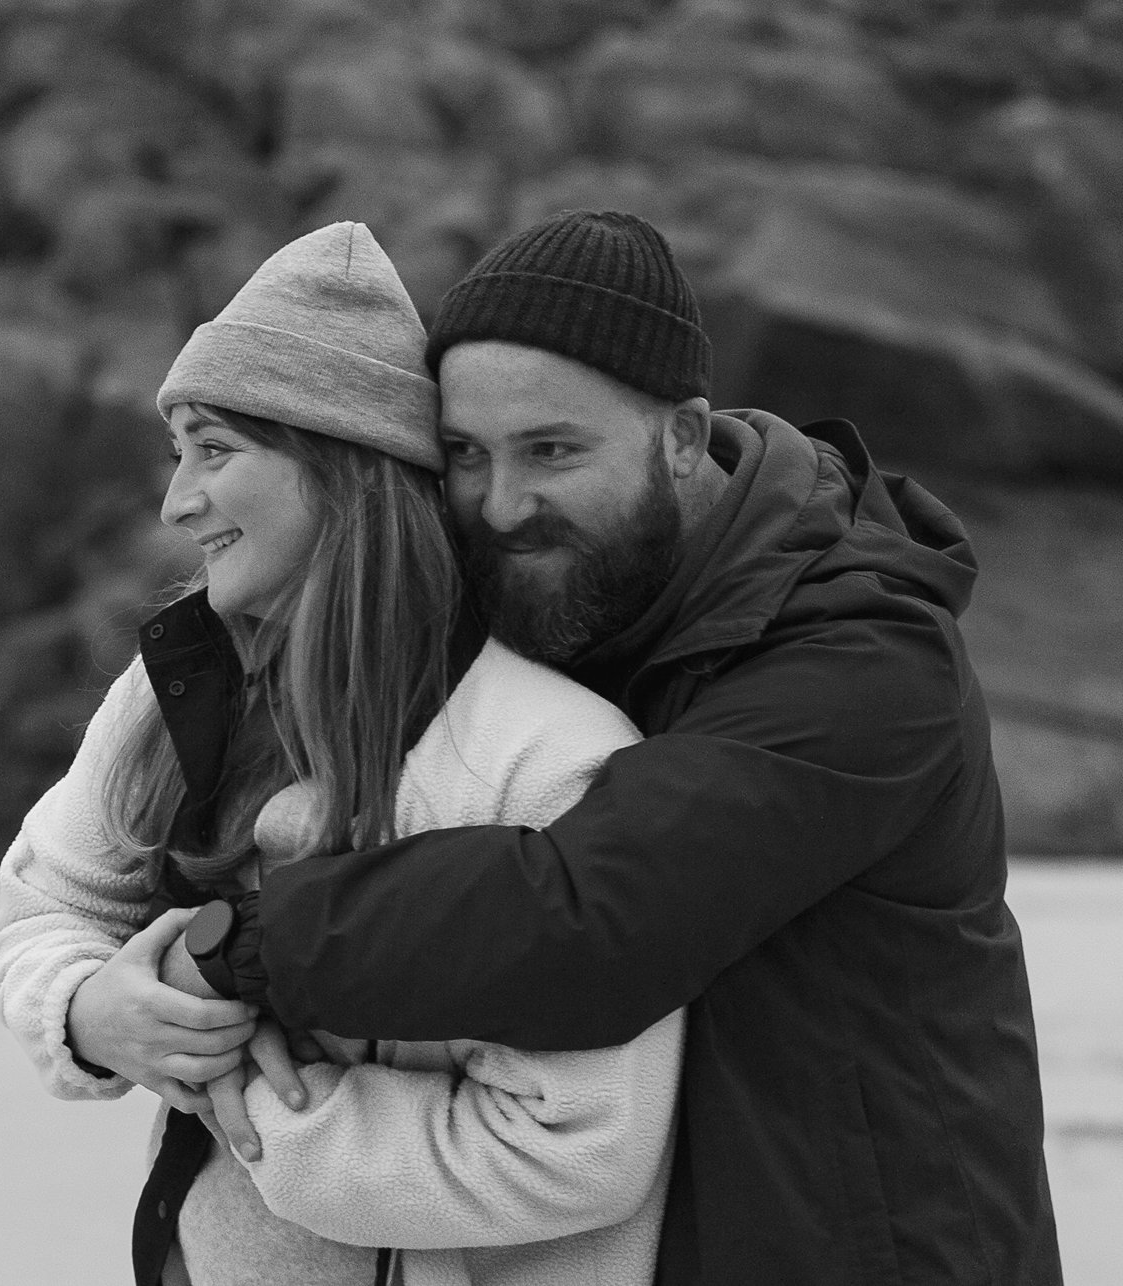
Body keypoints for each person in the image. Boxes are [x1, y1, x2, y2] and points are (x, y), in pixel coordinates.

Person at [185, 210, 1064, 1284]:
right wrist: (89, 1000)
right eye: (465, 456)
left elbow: (589, 915)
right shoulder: (560, 596)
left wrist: (239, 946)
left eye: (553, 449)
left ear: (682, 437)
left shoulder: (864, 657)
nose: (504, 505)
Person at [0, 221, 685, 1286]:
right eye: (178, 452)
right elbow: (49, 905)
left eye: (215, 450)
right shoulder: (168, 691)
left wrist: (245, 1098)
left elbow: (575, 1149)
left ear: (342, 464)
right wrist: (92, 1013)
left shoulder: (548, 761)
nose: (177, 501)